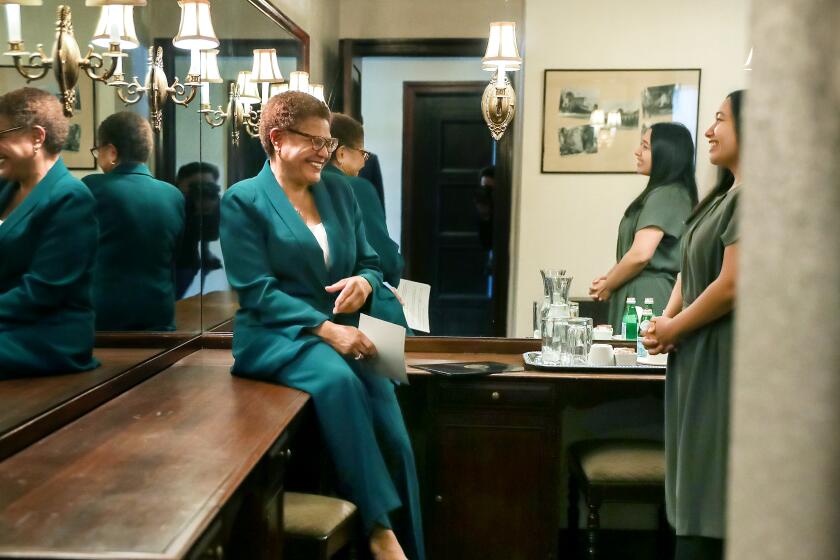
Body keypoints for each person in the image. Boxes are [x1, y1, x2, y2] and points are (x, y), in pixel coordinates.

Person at [219, 92, 424, 560]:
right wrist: (326, 330)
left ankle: (411, 541)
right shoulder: (243, 201)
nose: (325, 153)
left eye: (330, 144)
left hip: (348, 335)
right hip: (279, 339)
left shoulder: (339, 191)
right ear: (276, 139)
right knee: (338, 383)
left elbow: (373, 262)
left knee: (395, 433)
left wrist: (365, 283)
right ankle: (378, 533)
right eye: (315, 142)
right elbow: (256, 290)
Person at [644, 90, 745, 560]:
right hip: (695, 354)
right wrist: (666, 319)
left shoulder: (752, 199)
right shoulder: (721, 196)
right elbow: (688, 269)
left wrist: (676, 327)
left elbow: (731, 285)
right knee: (692, 480)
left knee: (710, 486)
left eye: (720, 119)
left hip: (723, 358)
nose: (708, 130)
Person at [0, 87, 99, 378]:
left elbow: (42, 292)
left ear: (36, 137)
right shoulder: (6, 188)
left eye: (1, 135)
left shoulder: (71, 197)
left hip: (48, 337)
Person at [82, 112, 185, 331]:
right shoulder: (173, 195)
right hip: (160, 316)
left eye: (96, 151)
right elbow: (177, 255)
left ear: (111, 152)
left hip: (103, 320)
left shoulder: (93, 187)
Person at [590, 122, 698, 331]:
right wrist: (608, 278)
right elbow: (633, 253)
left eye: (645, 147)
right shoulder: (664, 193)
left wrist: (608, 284)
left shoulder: (668, 194)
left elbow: (641, 254)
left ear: (667, 153)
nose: (637, 152)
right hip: (639, 294)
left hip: (649, 297)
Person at [324, 113, 409, 328]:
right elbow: (385, 261)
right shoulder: (356, 188)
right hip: (356, 312)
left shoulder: (298, 186)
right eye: (362, 153)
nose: (363, 162)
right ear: (341, 153)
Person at [174, 162, 222, 298]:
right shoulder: (170, 201)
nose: (202, 190)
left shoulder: (213, 201)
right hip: (171, 265)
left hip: (192, 263)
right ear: (180, 184)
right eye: (195, 186)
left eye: (208, 186)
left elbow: (212, 234)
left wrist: (210, 209)